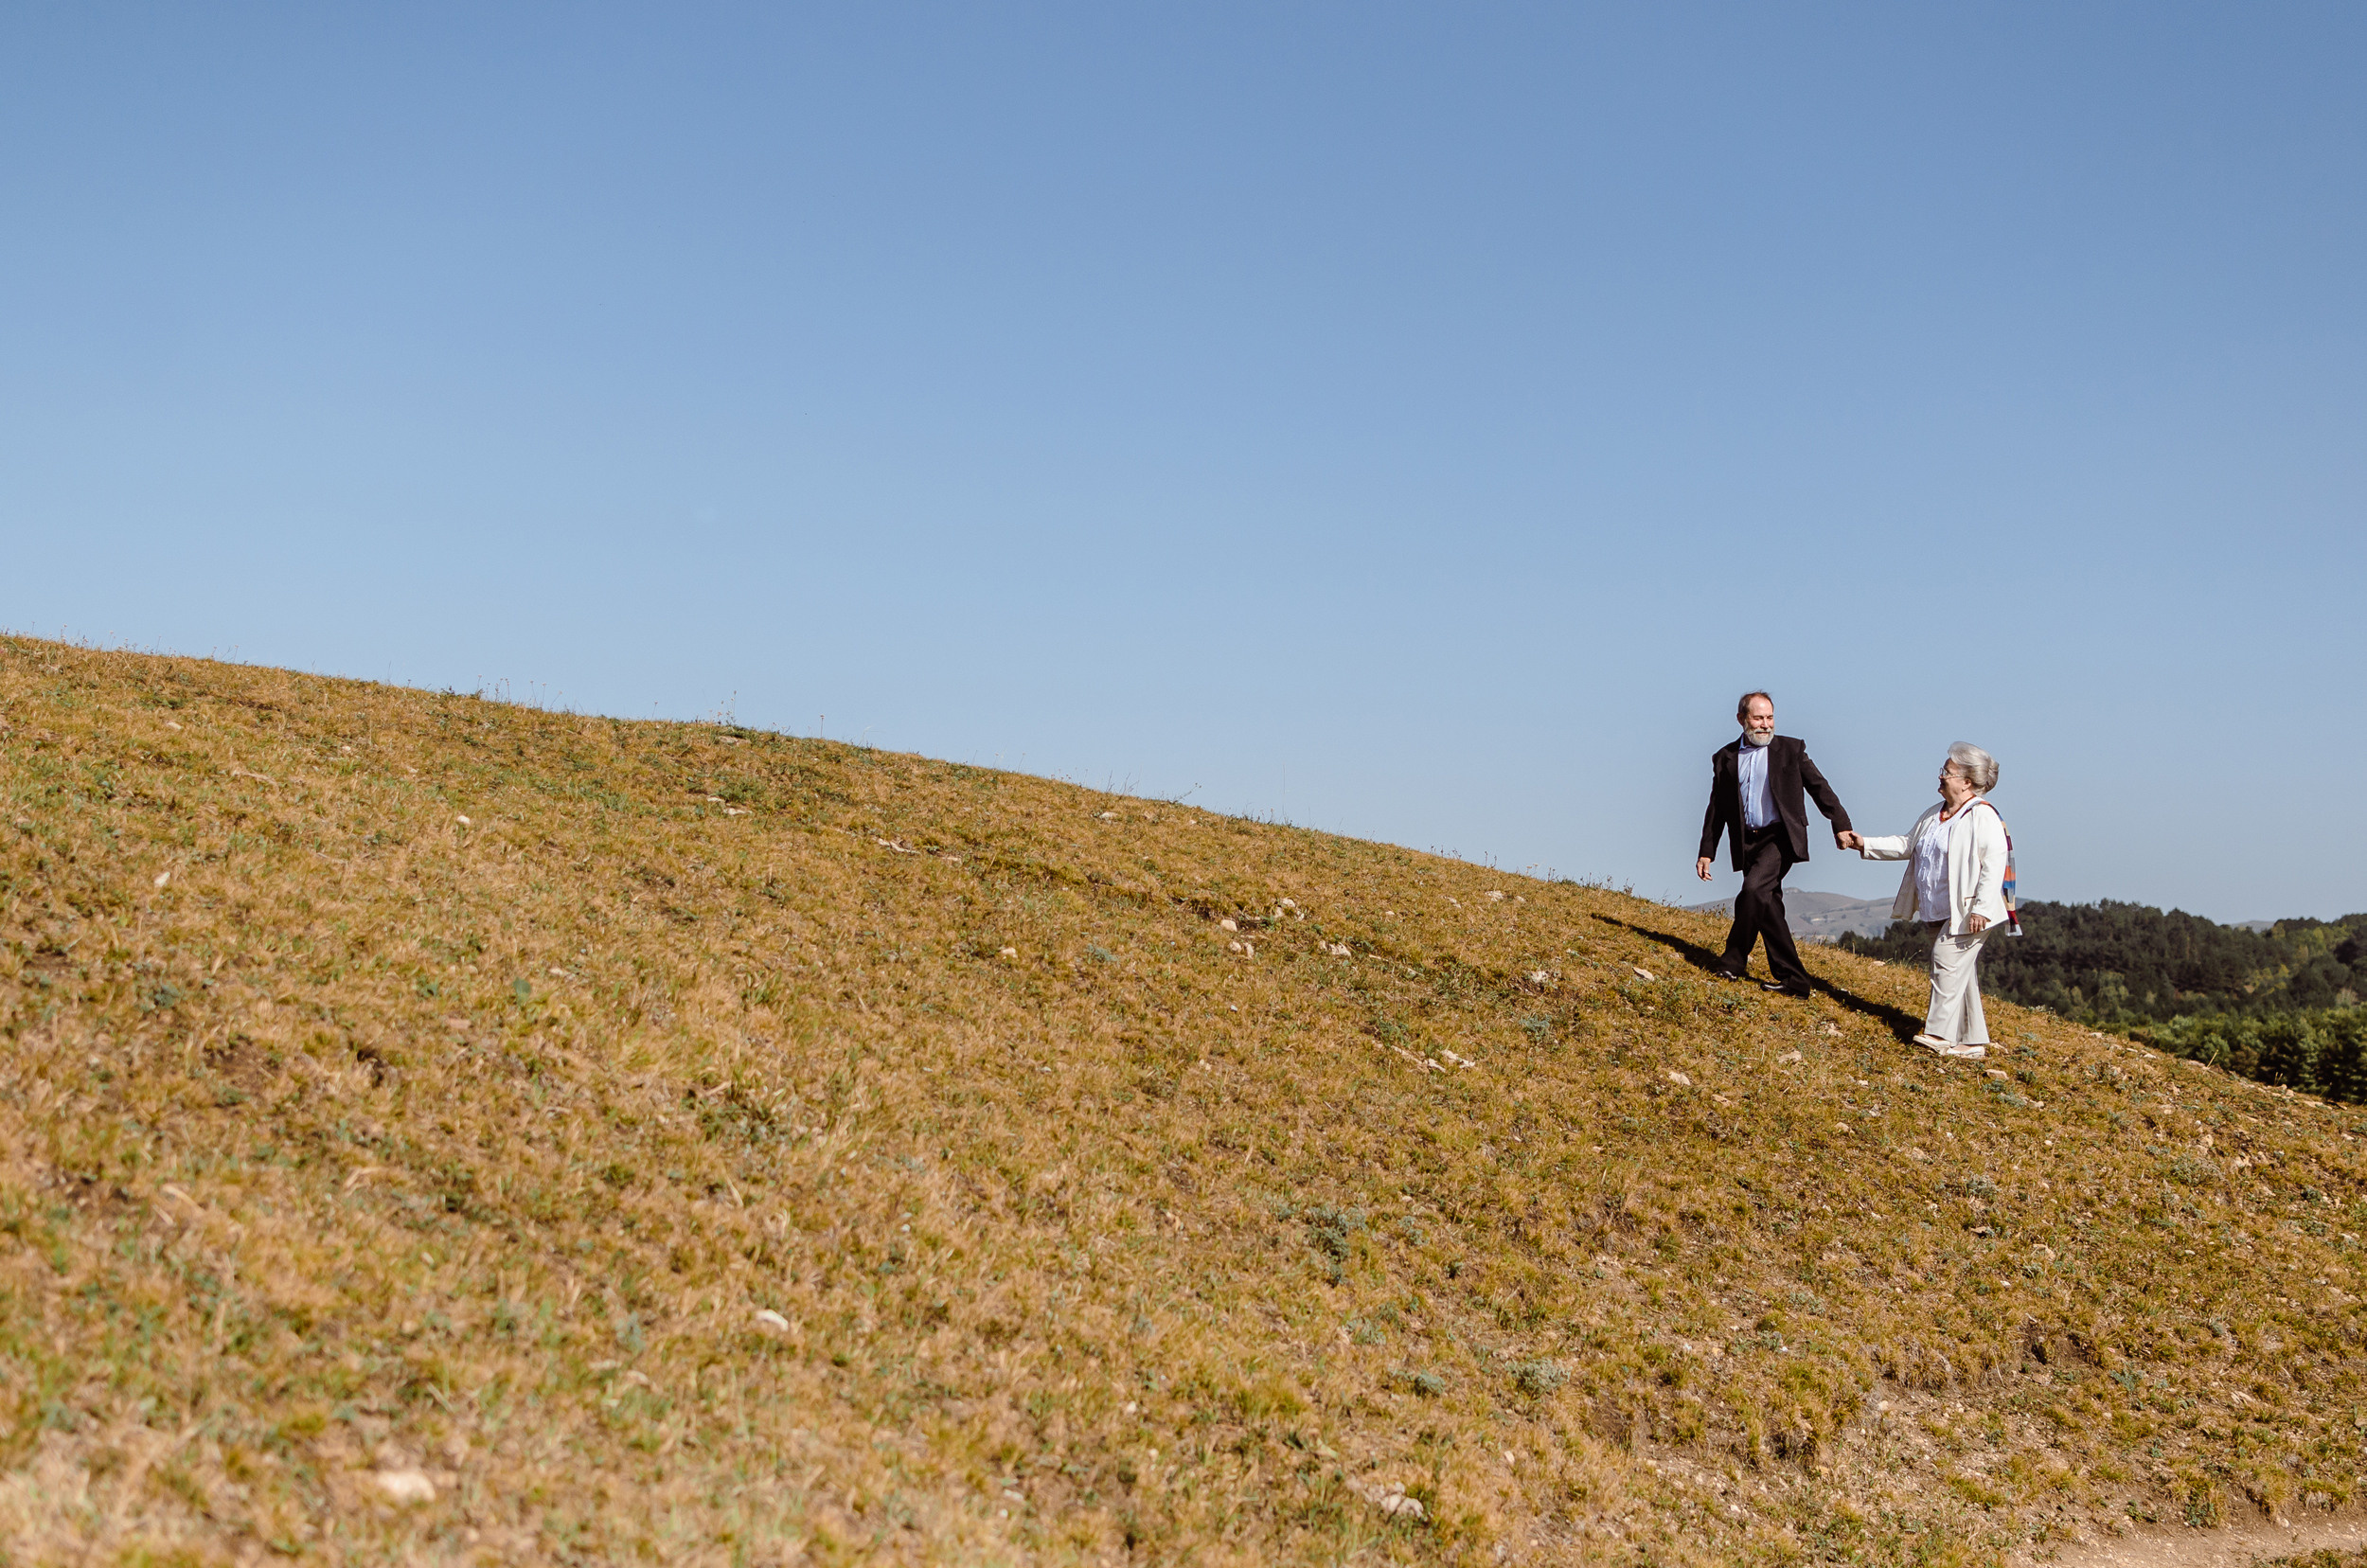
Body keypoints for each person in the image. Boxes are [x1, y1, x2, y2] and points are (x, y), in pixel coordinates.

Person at [1839, 743, 2008, 1059]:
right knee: (1961, 973)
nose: (1941, 776)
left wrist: (1982, 909)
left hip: (1968, 912)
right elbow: (1907, 844)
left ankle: (1939, 1034)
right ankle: (1972, 1042)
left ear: (1967, 781)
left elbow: (1994, 863)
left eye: (1947, 772)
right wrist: (1864, 843)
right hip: (1937, 909)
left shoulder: (1982, 815)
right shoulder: (1935, 814)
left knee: (1946, 963)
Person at [1695, 691, 1855, 997]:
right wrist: (1707, 850)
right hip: (1747, 841)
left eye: (1770, 718)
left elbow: (1820, 788)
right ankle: (1795, 980)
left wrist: (1840, 824)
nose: (1765, 725)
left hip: (1780, 839)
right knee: (1766, 905)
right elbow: (1717, 808)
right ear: (1742, 720)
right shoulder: (1725, 758)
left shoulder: (1791, 750)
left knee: (1752, 892)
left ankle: (1732, 961)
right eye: (1758, 718)